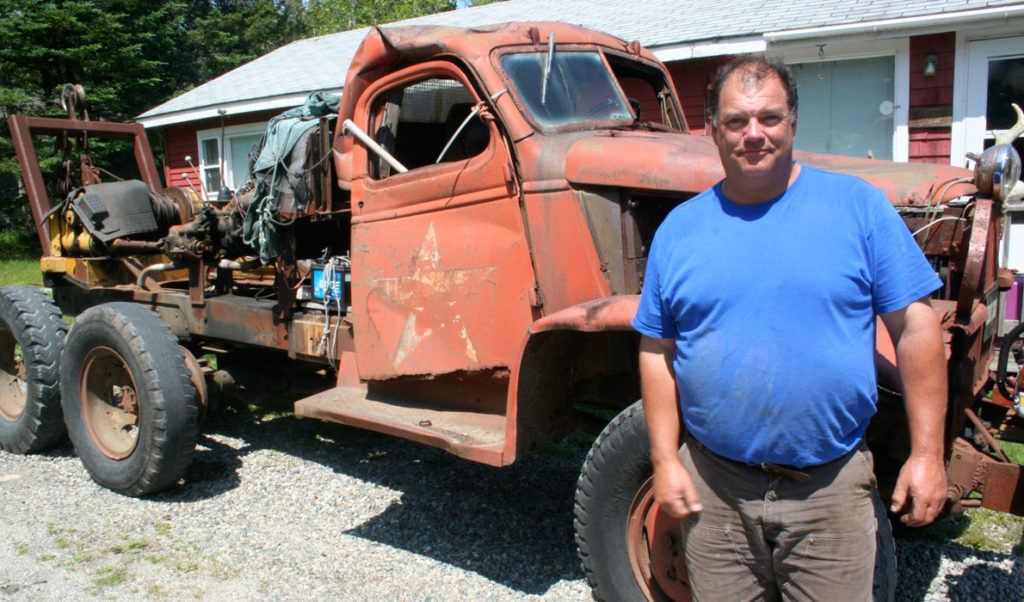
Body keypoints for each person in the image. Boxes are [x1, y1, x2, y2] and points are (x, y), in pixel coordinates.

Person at [631, 55, 949, 600]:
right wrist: (663, 459)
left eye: (769, 118)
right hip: (716, 490)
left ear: (794, 122)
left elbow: (916, 328)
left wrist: (927, 455)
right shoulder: (680, 231)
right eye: (736, 121)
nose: (753, 134)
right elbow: (657, 347)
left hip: (829, 491)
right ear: (712, 131)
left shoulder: (858, 209)